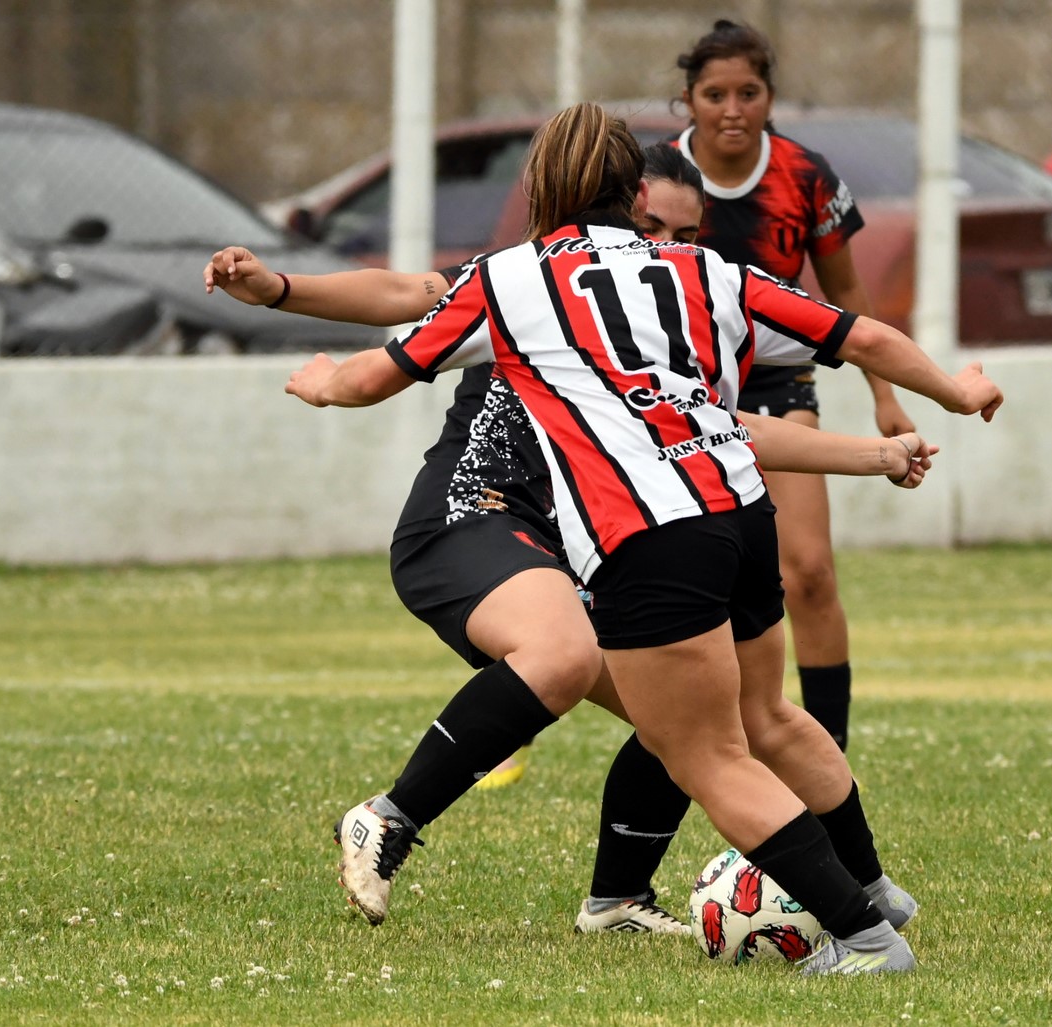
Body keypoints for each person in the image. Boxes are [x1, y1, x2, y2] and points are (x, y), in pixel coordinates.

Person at [283, 103, 1002, 975]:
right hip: (742, 513)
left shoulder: (509, 278)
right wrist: (956, 391)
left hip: (647, 533)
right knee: (767, 716)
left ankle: (866, 938)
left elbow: (374, 374)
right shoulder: (705, 269)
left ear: (540, 190)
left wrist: (322, 381)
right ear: (634, 196)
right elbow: (866, 336)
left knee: (708, 755)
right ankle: (873, 889)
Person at [673, 19, 911, 752]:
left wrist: (884, 393)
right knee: (664, 575)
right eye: (715, 95)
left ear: (770, 97)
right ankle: (532, 698)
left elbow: (846, 295)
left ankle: (828, 759)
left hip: (776, 383)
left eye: (748, 93)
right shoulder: (658, 177)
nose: (732, 110)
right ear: (688, 101)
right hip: (673, 392)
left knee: (807, 571)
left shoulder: (806, 176)